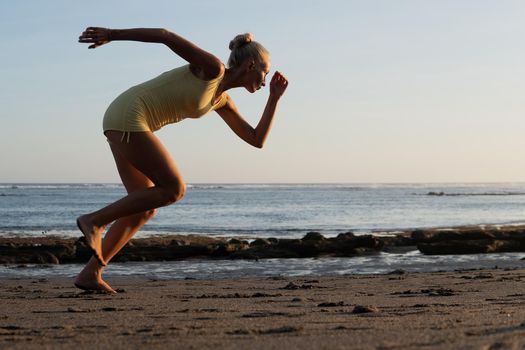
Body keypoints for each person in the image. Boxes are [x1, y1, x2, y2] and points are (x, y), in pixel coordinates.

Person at [75, 27, 288, 293]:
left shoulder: (221, 100)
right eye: (265, 72)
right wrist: (112, 34)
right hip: (130, 114)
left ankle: (91, 272)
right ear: (250, 64)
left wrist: (274, 99)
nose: (265, 79)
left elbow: (256, 139)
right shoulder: (212, 68)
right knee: (175, 188)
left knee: (143, 207)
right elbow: (166, 36)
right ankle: (94, 220)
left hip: (123, 119)